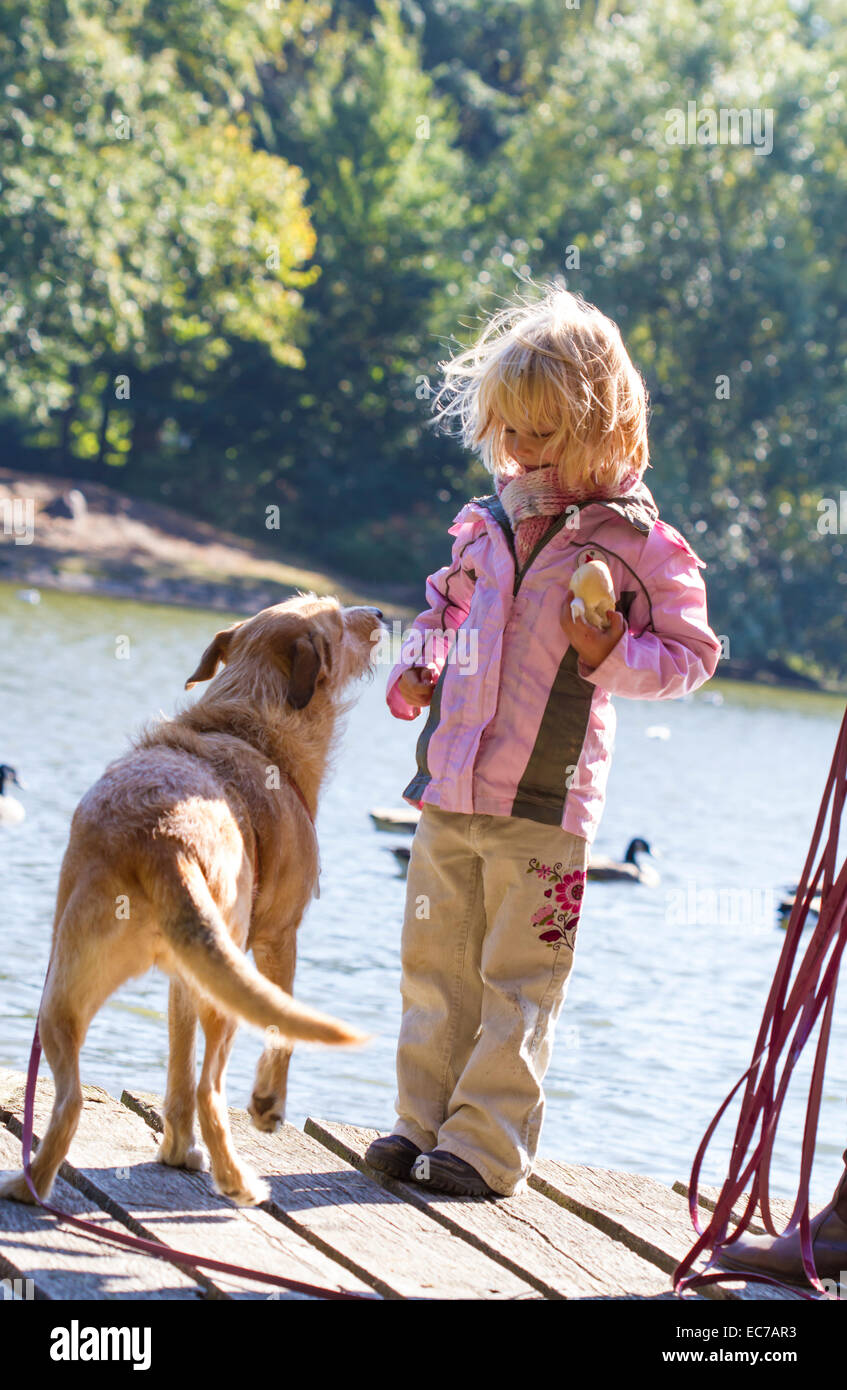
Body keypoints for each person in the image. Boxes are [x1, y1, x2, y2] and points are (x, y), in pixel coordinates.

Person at [366, 282, 723, 1198]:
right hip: (449, 791)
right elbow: (441, 611)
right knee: (434, 966)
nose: (519, 454)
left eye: (542, 435)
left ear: (603, 429)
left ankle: (484, 1148)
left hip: (548, 807)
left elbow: (690, 654)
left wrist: (611, 651)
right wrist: (418, 669)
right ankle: (420, 1123)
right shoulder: (483, 526)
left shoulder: (638, 544)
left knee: (518, 981)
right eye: (507, 433)